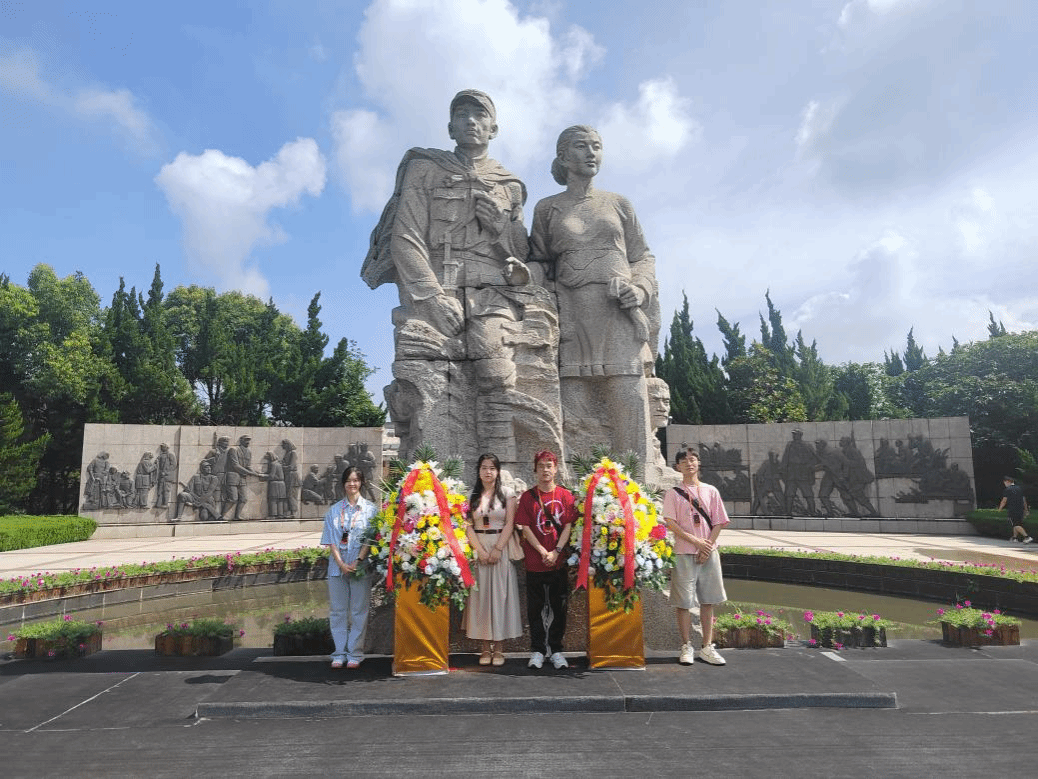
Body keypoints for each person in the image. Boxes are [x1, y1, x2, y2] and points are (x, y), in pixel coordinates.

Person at [529, 126, 660, 462]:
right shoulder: (547, 208)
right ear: (563, 156)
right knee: (575, 410)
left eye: (597, 146)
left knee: (628, 398)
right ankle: (581, 485)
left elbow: (642, 257)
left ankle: (636, 485)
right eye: (581, 146)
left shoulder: (618, 204)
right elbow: (539, 262)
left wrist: (640, 288)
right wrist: (523, 274)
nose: (591, 153)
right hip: (571, 314)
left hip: (618, 312)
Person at [662, 450, 730, 667]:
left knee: (708, 600)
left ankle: (707, 647)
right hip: (683, 552)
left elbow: (719, 522)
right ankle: (686, 645)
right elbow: (671, 523)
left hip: (708, 553)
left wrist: (706, 547)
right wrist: (696, 542)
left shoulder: (711, 491)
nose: (688, 464)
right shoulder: (673, 493)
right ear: (677, 467)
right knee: (683, 602)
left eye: (692, 460)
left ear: (698, 463)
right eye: (683, 461)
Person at [514, 450, 576, 670]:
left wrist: (556, 551)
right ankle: (538, 650)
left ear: (556, 469)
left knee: (559, 608)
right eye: (541, 466)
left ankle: (556, 650)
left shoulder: (565, 496)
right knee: (535, 609)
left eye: (549, 465)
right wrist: (542, 551)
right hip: (535, 562)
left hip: (558, 562)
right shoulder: (527, 497)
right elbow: (525, 527)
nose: (545, 470)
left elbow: (568, 526)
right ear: (535, 469)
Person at [463, 453, 523, 666]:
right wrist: (479, 550)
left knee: (500, 597)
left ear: (498, 471)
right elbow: (467, 525)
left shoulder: (507, 494)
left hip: (500, 547)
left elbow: (510, 523)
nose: (488, 472)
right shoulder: (471, 495)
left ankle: (499, 649)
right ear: (478, 471)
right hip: (479, 547)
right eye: (484, 468)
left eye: (492, 468)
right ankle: (484, 648)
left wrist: (498, 549)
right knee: (481, 599)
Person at [320, 466, 376, 669]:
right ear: (343, 484)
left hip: (360, 567)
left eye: (356, 480)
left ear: (361, 483)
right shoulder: (334, 510)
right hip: (338, 567)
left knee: (359, 610)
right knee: (338, 611)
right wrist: (341, 564)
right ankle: (339, 653)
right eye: (348, 480)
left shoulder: (370, 510)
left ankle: (355, 653)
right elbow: (331, 541)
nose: (352, 484)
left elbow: (370, 539)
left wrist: (358, 561)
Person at [999, 476, 1032, 543]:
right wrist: (1026, 509)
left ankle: (1027, 537)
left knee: (1016, 524)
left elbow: (1004, 501)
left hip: (1012, 509)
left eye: (1005, 483)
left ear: (1007, 481)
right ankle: (1015, 538)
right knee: (1017, 523)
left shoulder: (1007, 490)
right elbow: (1024, 500)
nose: (1005, 484)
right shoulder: (1019, 488)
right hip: (1020, 509)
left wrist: (1000, 508)